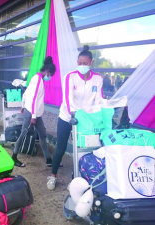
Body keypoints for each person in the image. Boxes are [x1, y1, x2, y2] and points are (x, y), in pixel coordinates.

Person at [47, 45, 104, 190]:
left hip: (86, 120)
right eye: (79, 63)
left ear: (91, 62)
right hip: (67, 117)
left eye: (85, 63)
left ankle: (77, 176)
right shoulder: (70, 76)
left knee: (84, 148)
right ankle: (53, 176)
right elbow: (68, 99)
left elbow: (99, 100)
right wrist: (74, 114)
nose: (82, 66)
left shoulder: (97, 79)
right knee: (61, 147)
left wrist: (98, 115)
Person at [11, 56, 55, 167]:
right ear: (48, 71)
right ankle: (14, 157)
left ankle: (48, 160)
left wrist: (23, 105)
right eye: (51, 75)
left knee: (42, 135)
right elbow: (34, 98)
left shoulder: (36, 77)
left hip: (34, 112)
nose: (50, 77)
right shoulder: (38, 80)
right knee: (23, 133)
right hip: (32, 113)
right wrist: (33, 116)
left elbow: (26, 93)